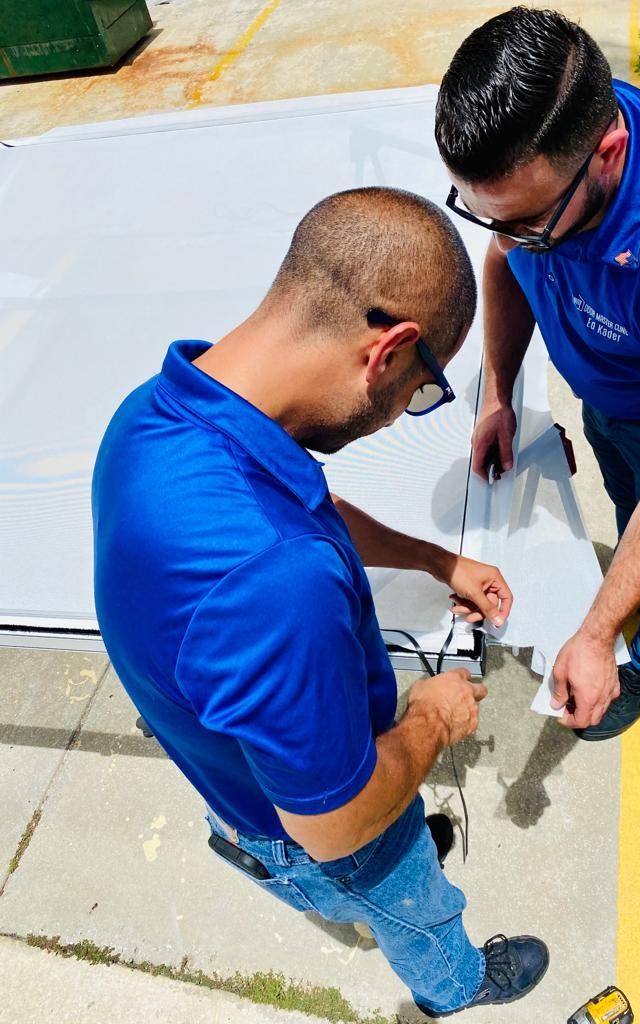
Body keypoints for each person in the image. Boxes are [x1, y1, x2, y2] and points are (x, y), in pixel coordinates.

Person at [91, 187, 549, 1017]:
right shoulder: (276, 583)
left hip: (236, 780)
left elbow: (305, 509)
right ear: (391, 351)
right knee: (418, 905)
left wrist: (435, 559)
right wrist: (434, 720)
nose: (398, 418)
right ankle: (456, 986)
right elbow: (335, 826)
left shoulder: (157, 415)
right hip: (320, 835)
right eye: (419, 393)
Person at [435, 7, 640, 740]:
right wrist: (498, 397)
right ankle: (629, 582)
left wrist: (592, 636)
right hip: (616, 399)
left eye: (527, 222)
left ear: (610, 151)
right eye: (485, 213)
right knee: (628, 500)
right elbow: (505, 261)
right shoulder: (556, 151)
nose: (507, 237)